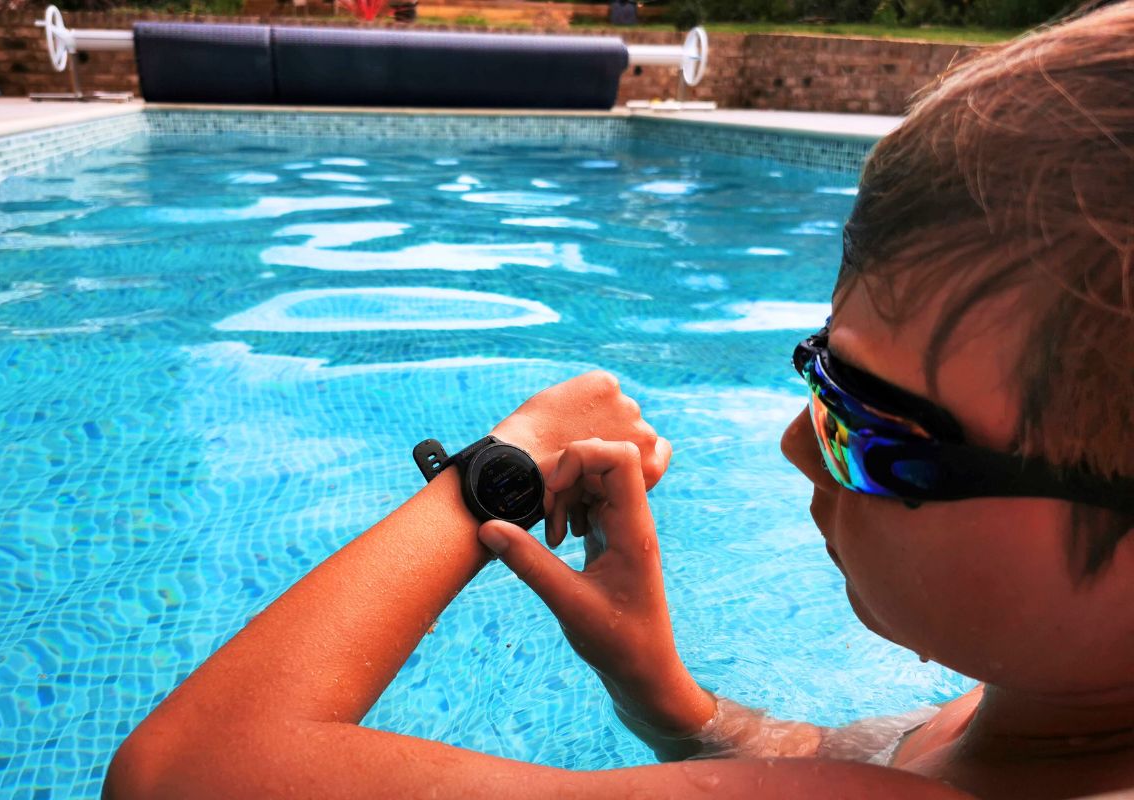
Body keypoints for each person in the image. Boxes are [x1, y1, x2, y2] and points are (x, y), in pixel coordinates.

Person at [102, 3, 1134, 798]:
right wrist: (668, 694)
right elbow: (849, 751)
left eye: (868, 430)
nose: (795, 446)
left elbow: (185, 773)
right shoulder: (1050, 705)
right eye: (817, 381)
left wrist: (491, 474)